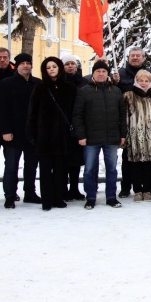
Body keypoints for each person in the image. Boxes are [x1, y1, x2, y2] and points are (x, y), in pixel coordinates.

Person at [73, 60, 127, 209]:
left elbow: (122, 115)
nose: (101, 74)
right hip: (91, 139)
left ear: (107, 73)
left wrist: (123, 134)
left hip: (111, 138)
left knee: (111, 169)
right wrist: (81, 135)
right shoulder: (84, 91)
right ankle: (90, 197)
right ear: (93, 74)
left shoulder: (115, 91)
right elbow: (77, 115)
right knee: (90, 169)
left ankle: (111, 197)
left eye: (104, 71)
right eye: (98, 71)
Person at [26, 57, 78, 211]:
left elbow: (75, 112)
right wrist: (32, 134)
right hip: (44, 136)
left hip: (63, 136)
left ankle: (59, 197)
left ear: (59, 68)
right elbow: (32, 113)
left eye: (54, 66)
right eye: (48, 67)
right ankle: (47, 200)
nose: (51, 70)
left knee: (61, 169)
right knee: (45, 169)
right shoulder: (40, 88)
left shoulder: (70, 88)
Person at [0, 52, 41, 208]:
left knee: (31, 165)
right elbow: (2, 110)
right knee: (11, 166)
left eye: (28, 63)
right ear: (16, 66)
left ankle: (30, 192)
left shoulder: (37, 83)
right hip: (13, 133)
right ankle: (9, 195)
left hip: (32, 133)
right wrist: (5, 130)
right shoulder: (6, 83)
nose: (25, 66)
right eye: (22, 63)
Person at [117, 47, 151, 198]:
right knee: (130, 162)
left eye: (138, 56)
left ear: (143, 58)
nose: (135, 58)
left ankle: (150, 187)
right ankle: (127, 188)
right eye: (132, 55)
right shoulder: (120, 74)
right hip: (133, 133)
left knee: (149, 162)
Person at [62, 54, 86, 200]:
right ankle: (63, 188)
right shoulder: (59, 81)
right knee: (64, 160)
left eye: (73, 64)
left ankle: (74, 188)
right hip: (63, 126)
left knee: (76, 161)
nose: (70, 66)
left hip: (79, 126)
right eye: (67, 64)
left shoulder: (83, 82)